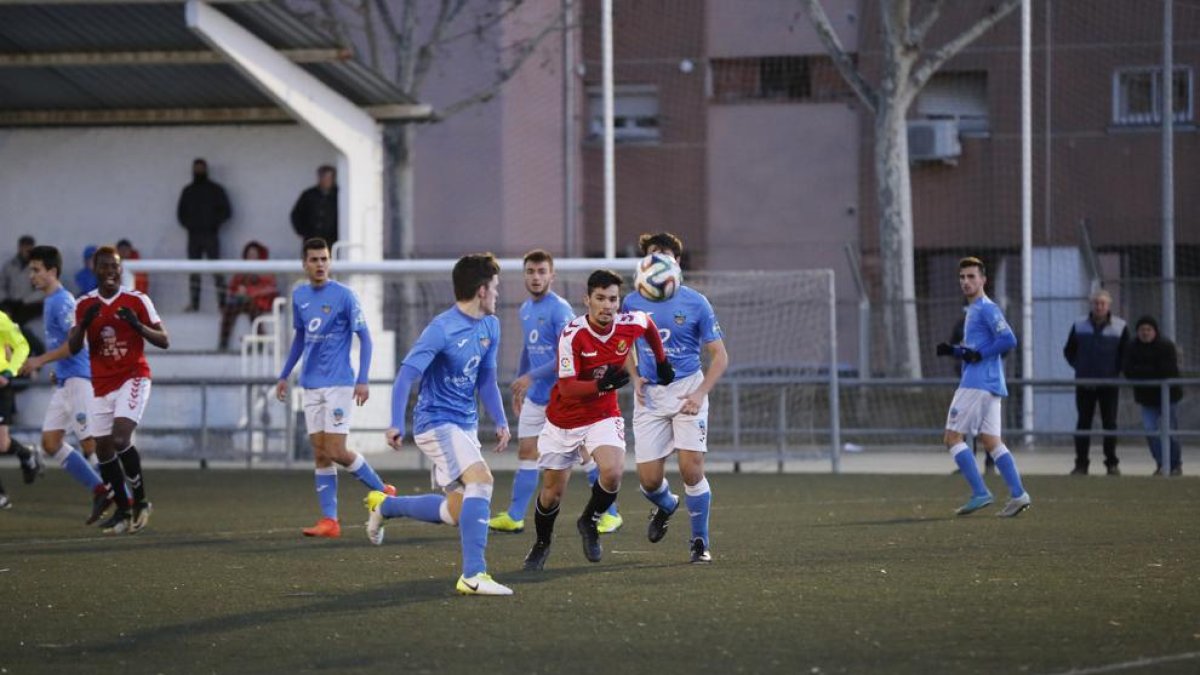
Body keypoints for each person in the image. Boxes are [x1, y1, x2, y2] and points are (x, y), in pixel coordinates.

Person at [364, 253, 513, 596]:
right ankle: (474, 575)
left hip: (465, 426)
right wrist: (395, 422)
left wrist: (501, 420)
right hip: (435, 422)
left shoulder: (491, 325)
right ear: (481, 290)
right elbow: (406, 377)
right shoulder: (441, 328)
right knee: (482, 480)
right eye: (495, 287)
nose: (497, 294)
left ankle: (384, 506)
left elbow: (486, 379)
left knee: (455, 512)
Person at [522, 269, 673, 571]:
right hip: (564, 419)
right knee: (551, 494)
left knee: (613, 471)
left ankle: (589, 521)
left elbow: (649, 325)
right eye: (601, 298)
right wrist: (601, 384)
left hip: (602, 415)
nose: (607, 305)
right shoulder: (572, 334)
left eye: (613, 299)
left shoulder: (629, 323)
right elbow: (567, 387)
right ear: (587, 300)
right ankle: (542, 543)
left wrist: (661, 361)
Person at [487, 249, 622, 535]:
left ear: (552, 275)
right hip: (536, 397)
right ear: (524, 275)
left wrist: (530, 376)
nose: (536, 277)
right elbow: (528, 348)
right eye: (530, 272)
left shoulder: (560, 310)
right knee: (527, 451)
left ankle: (610, 514)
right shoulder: (525, 308)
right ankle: (514, 516)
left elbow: (567, 353)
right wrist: (521, 383)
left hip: (566, 397)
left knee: (586, 454)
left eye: (541, 272)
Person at [275, 237, 392, 538]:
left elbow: (365, 338)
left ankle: (383, 490)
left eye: (324, 259)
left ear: (330, 261)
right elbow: (300, 338)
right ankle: (330, 521)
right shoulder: (299, 296)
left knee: (336, 450)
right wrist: (284, 374)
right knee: (320, 454)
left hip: (339, 384)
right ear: (304, 264)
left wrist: (362, 379)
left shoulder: (345, 296)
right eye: (314, 259)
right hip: (310, 384)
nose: (320, 264)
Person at [622, 232, 728, 563]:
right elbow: (624, 346)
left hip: (687, 390)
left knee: (691, 470)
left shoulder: (697, 302)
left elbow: (720, 356)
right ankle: (666, 505)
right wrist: (634, 377)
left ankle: (699, 542)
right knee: (649, 480)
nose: (658, 263)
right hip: (650, 397)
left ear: (677, 262)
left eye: (665, 256)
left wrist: (699, 393)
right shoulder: (631, 302)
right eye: (652, 256)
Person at [67, 245, 170, 533]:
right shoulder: (84, 304)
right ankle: (123, 511)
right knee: (103, 450)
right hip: (101, 383)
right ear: (95, 269)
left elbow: (164, 340)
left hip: (133, 377)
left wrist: (137, 326)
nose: (111, 271)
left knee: (121, 438)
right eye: (105, 266)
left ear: (121, 269)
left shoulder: (137, 300)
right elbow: (73, 347)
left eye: (115, 266)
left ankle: (141, 502)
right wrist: (85, 324)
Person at [18, 246, 113, 523]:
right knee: (50, 443)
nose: (32, 275)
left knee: (90, 444)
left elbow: (76, 343)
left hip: (79, 380)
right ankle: (100, 491)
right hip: (65, 380)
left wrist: (39, 361)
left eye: (36, 270)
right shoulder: (50, 301)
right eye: (31, 270)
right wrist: (57, 370)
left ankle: (126, 500)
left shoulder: (62, 301)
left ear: (52, 271)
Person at [935, 256, 1029, 518]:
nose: (965, 281)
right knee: (991, 441)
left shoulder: (986, 308)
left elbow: (1009, 339)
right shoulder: (974, 310)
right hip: (990, 383)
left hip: (977, 383)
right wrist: (954, 350)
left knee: (952, 437)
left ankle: (980, 493)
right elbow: (975, 349)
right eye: (962, 277)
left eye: (971, 277)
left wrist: (979, 354)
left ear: (983, 280)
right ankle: (1019, 494)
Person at [1063, 289, 1130, 476]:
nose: (1099, 306)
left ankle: (1111, 464)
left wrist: (1116, 371)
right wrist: (1080, 366)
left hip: (1109, 384)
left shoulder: (1120, 326)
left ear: (1109, 305)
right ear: (1091, 304)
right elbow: (1069, 350)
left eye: (1103, 303)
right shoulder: (1079, 325)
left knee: (1110, 424)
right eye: (1096, 303)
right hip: (1085, 383)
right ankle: (1081, 464)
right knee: (1083, 423)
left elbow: (1126, 353)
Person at [1122, 316, 1183, 476]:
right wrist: (1151, 371)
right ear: (1137, 332)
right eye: (1142, 330)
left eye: (1149, 329)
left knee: (1170, 431)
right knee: (1150, 430)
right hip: (1147, 399)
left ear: (1155, 331)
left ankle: (1175, 465)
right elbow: (1128, 371)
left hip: (1169, 397)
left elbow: (1167, 372)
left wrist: (1141, 371)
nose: (1145, 333)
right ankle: (1162, 464)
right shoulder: (1132, 347)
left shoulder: (1166, 346)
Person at [177, 158, 232, 312]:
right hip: (193, 236)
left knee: (217, 270)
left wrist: (213, 224)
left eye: (201, 168)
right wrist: (190, 225)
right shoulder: (188, 191)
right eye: (197, 168)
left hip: (210, 235)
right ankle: (194, 304)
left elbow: (227, 211)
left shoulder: (215, 190)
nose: (199, 171)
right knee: (194, 271)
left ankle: (222, 304)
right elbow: (180, 213)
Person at [0, 309, 40, 509]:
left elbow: (21, 345)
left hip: (1, 386)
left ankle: (26, 453)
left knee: (2, 444)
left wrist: (9, 372)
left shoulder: (1, 319)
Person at [219, 241, 278, 351]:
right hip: (241, 302)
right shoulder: (241, 270)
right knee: (228, 309)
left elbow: (270, 288)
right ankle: (223, 343)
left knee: (253, 310)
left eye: (254, 254)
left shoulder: (266, 269)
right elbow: (233, 287)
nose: (251, 257)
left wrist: (248, 291)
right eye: (249, 254)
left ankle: (260, 340)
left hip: (259, 302)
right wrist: (238, 291)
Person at [290, 165, 339, 246]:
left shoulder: (339, 195)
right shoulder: (309, 194)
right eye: (324, 177)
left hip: (333, 239)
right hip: (312, 238)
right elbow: (296, 214)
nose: (327, 180)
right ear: (319, 178)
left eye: (329, 178)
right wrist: (301, 231)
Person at [1, 234, 44, 325]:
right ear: (20, 248)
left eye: (30, 248)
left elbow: (42, 290)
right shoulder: (9, 266)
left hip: (29, 304)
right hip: (10, 303)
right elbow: (2, 286)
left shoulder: (38, 268)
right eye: (25, 247)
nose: (27, 251)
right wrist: (5, 300)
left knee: (20, 319)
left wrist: (24, 301)